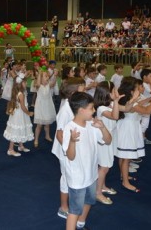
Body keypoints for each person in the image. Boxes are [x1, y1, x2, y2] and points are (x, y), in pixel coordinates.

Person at [62, 92, 111, 230]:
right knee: (75, 210)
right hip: (77, 178)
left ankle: (81, 224)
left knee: (89, 200)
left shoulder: (91, 124)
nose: (94, 111)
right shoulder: (69, 128)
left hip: (91, 175)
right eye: (91, 108)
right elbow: (70, 156)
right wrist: (72, 141)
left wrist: (102, 127)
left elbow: (108, 141)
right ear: (81, 110)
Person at [52, 77, 85, 220]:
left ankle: (73, 200)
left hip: (72, 147)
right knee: (66, 177)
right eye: (82, 88)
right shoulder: (65, 109)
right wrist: (67, 150)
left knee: (72, 175)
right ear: (73, 92)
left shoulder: (73, 105)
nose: (85, 90)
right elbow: (59, 133)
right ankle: (63, 207)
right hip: (65, 150)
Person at [117, 77, 151, 192]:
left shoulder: (128, 99)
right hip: (128, 129)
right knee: (126, 157)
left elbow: (140, 103)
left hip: (127, 127)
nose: (139, 90)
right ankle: (125, 182)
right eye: (137, 88)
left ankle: (123, 175)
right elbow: (147, 111)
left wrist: (150, 98)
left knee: (123, 155)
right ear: (131, 91)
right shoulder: (131, 102)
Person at [94, 81, 123, 205]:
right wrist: (116, 101)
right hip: (104, 139)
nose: (116, 92)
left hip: (109, 137)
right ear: (107, 93)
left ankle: (103, 186)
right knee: (104, 167)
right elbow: (115, 116)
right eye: (113, 91)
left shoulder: (109, 104)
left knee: (106, 165)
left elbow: (125, 109)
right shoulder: (101, 108)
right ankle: (98, 193)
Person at [4, 74, 34, 156]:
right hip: (20, 114)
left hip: (20, 114)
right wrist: (29, 113)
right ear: (21, 83)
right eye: (25, 82)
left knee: (21, 128)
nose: (26, 84)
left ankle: (21, 146)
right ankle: (10, 149)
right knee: (16, 129)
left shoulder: (20, 92)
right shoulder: (21, 94)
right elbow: (23, 107)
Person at [33, 69, 57, 147]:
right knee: (39, 125)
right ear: (40, 78)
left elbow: (53, 83)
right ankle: (36, 139)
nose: (47, 77)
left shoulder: (48, 84)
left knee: (47, 123)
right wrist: (40, 74)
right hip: (40, 106)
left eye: (47, 76)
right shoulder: (38, 85)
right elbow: (38, 83)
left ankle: (47, 135)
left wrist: (55, 75)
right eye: (45, 76)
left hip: (47, 105)